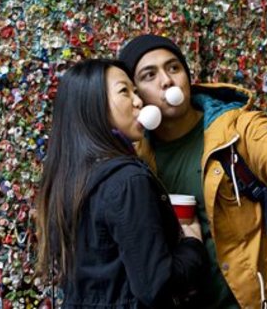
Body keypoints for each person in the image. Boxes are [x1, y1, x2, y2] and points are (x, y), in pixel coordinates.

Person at [119, 34, 267, 308]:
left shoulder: (235, 128)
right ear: (136, 94)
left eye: (173, 67)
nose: (167, 80)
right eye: (149, 75)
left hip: (261, 299)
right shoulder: (135, 157)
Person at [35, 58, 208, 308]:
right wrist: (193, 245)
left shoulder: (68, 179)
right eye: (124, 92)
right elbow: (157, 287)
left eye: (136, 92)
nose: (139, 102)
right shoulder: (127, 180)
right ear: (93, 106)